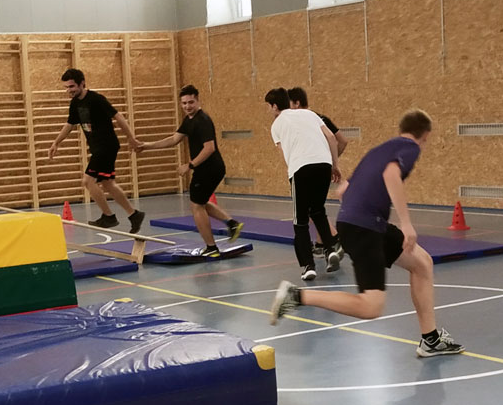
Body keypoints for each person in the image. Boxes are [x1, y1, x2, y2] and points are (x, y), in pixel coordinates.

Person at [269, 109, 463, 358]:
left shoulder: (380, 150)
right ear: (425, 135)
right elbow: (391, 175)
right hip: (365, 227)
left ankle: (431, 339)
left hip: (365, 223)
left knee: (422, 263)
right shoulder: (410, 148)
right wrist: (406, 223)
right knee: (371, 306)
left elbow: (343, 190)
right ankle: (297, 296)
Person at [135, 85, 244, 259]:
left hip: (209, 168)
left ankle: (211, 248)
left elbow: (209, 148)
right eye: (184, 103)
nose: (187, 106)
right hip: (208, 168)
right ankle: (232, 223)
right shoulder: (189, 120)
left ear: (198, 100)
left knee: (196, 206)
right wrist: (147, 146)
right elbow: (173, 139)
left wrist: (190, 165)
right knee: (200, 201)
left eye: (191, 102)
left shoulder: (203, 120)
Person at [48, 69, 145, 233]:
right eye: (66, 87)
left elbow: (118, 116)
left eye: (72, 86)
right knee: (108, 183)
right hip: (98, 148)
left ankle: (108, 216)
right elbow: (70, 124)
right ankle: (134, 214)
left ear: (82, 84)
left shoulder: (96, 99)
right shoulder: (75, 103)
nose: (69, 90)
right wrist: (56, 142)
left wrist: (131, 138)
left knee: (88, 181)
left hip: (106, 146)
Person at [264, 88, 345, 282]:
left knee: (300, 220)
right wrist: (334, 165)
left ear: (274, 106)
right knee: (318, 211)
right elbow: (331, 138)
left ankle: (308, 266)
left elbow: (284, 153)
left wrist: (294, 171)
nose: (268, 110)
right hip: (323, 164)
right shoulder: (310, 114)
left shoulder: (277, 124)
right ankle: (330, 250)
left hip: (300, 168)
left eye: (268, 106)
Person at [287, 86, 348, 159]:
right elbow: (343, 141)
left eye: (288, 104)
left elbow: (341, 140)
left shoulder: (301, 122)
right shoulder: (321, 118)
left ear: (297, 103)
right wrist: (331, 160)